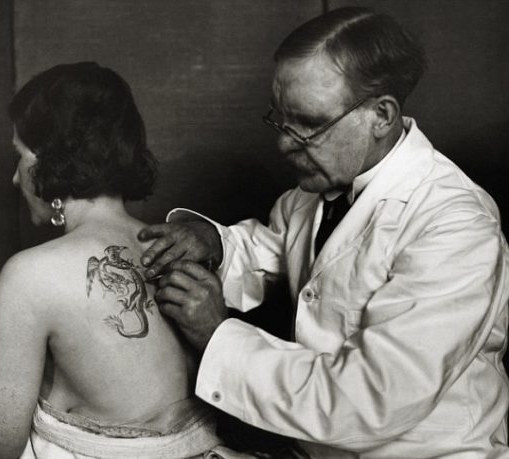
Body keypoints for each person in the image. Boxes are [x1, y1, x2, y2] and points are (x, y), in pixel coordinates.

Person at [138, 7, 509, 458]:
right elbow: (275, 252)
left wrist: (217, 335)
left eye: (310, 124)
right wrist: (215, 242)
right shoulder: (312, 194)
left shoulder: (455, 224)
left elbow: (370, 400)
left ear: (382, 115)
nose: (284, 143)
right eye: (281, 118)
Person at [0, 62, 225, 459]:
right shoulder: (177, 248)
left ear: (46, 160)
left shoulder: (31, 274)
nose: (16, 179)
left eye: (19, 155)